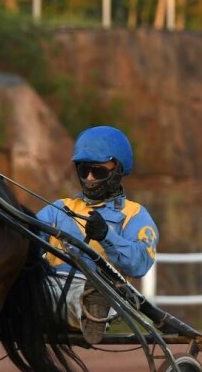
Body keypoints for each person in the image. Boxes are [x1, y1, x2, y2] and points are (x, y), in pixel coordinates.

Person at [36, 125, 159, 344]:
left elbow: (139, 264)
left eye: (98, 171)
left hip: (105, 292)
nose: (90, 178)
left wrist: (105, 236)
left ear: (117, 170)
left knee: (83, 294)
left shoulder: (135, 214)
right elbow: (29, 239)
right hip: (48, 285)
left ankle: (91, 307)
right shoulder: (59, 208)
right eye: (84, 171)